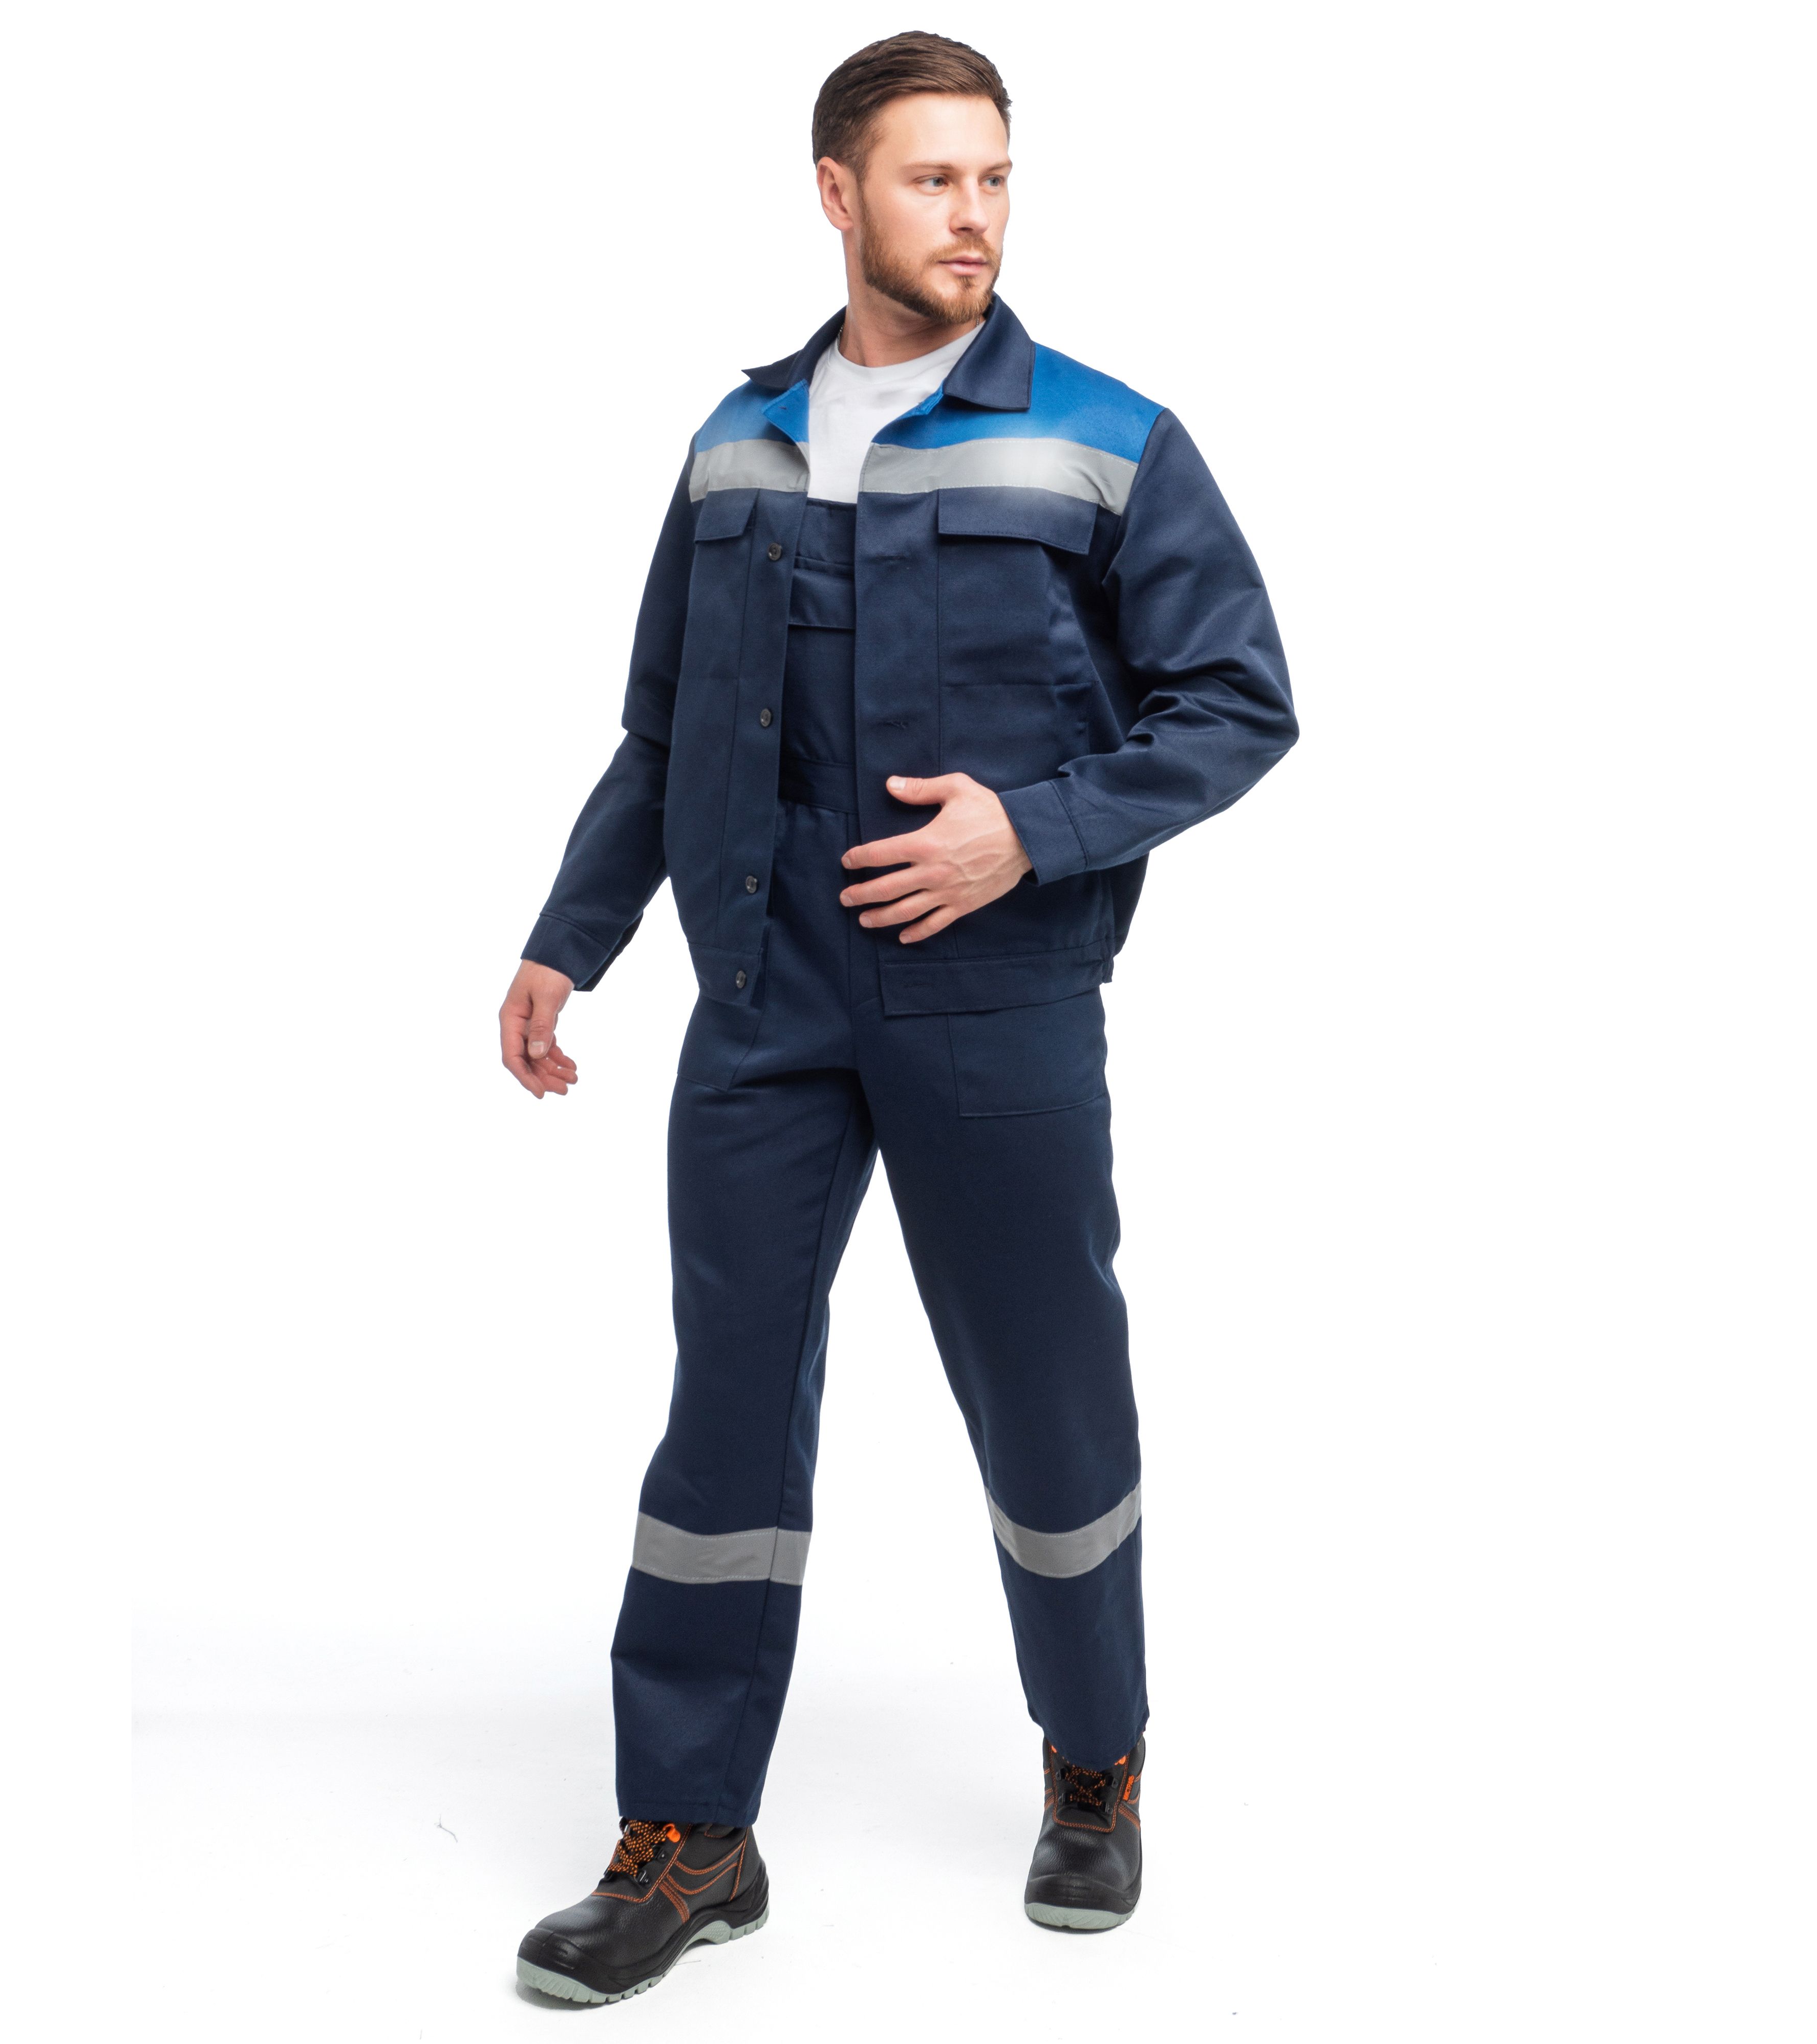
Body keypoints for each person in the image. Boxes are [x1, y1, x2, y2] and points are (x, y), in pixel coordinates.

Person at [503, 31, 1296, 2005]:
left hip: (993, 999)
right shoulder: (737, 441)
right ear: (836, 193)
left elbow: (1238, 702)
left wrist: (1032, 831)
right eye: (935, 178)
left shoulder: (1104, 437)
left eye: (996, 178)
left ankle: (1095, 1761)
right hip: (762, 992)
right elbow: (664, 727)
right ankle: (692, 1833)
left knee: (1045, 1386)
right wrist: (570, 939)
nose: (975, 215)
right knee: (725, 1406)